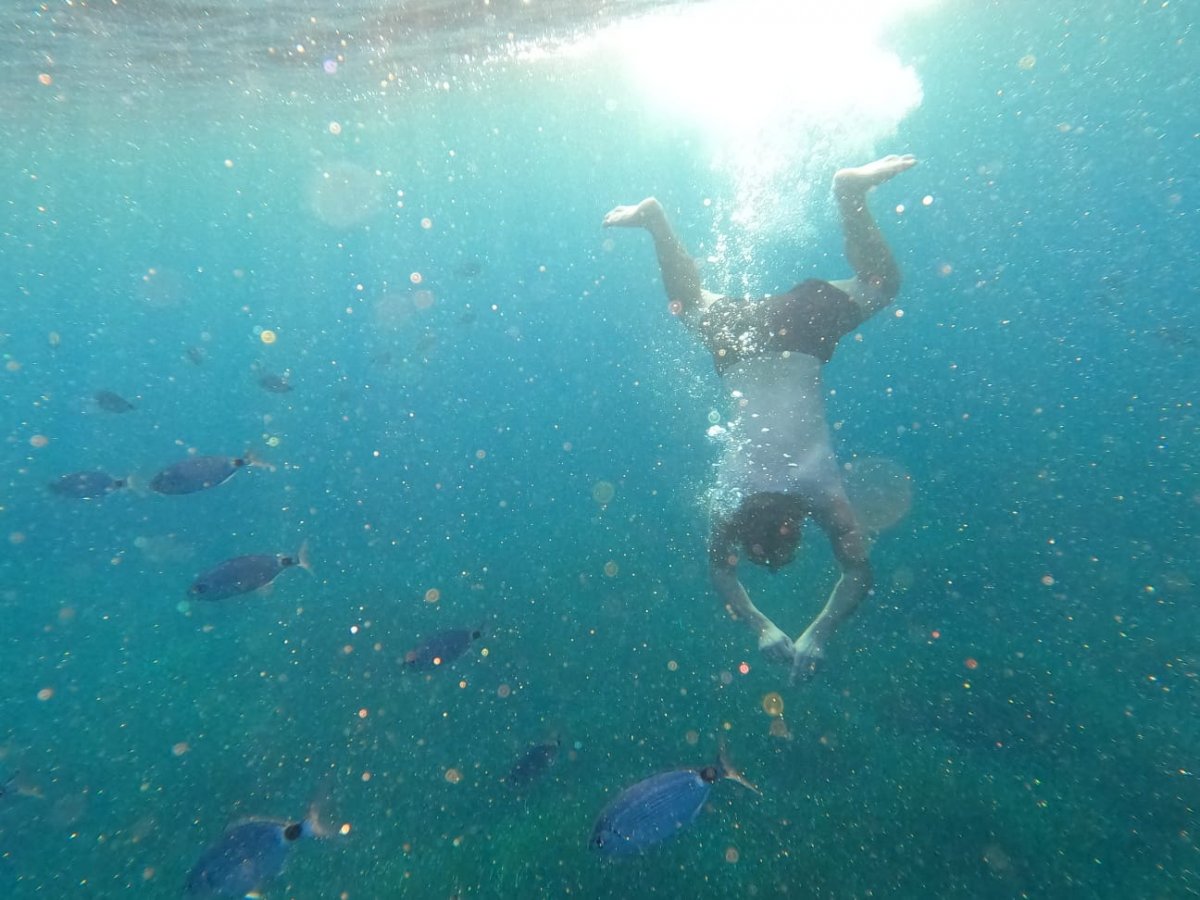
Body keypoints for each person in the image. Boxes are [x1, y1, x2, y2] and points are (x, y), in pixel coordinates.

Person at [603, 154, 917, 680]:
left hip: (802, 334)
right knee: (688, 301)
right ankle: (656, 223)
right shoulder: (731, 498)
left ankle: (849, 195)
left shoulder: (821, 494)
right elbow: (721, 574)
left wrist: (813, 632)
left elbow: (858, 573)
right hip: (739, 341)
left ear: (795, 527)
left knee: (881, 284)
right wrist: (763, 625)